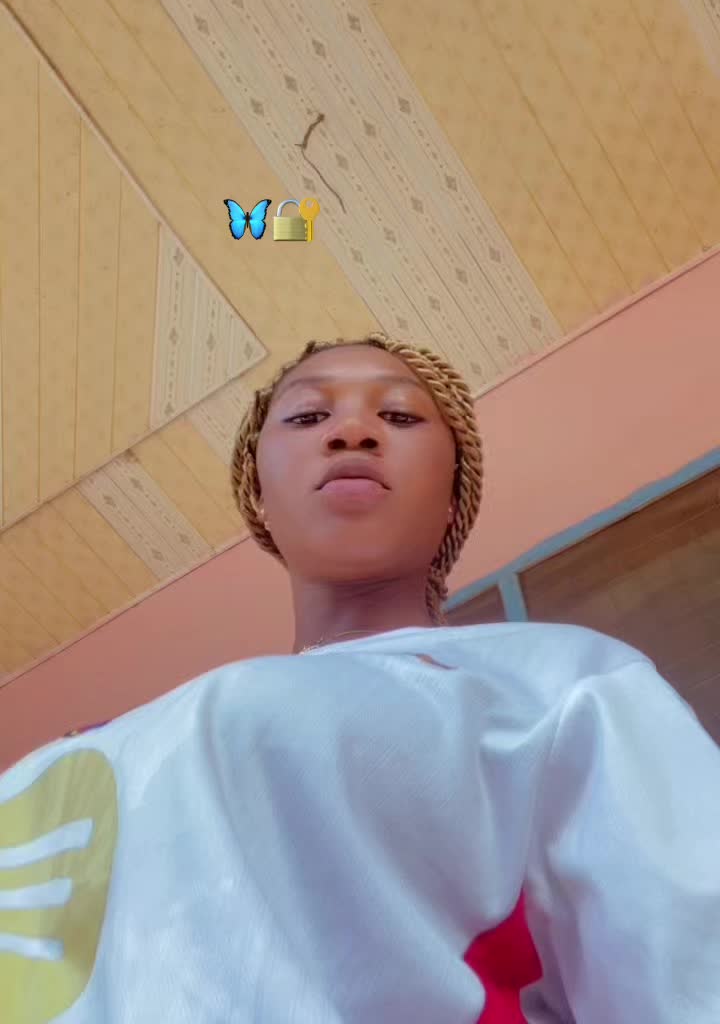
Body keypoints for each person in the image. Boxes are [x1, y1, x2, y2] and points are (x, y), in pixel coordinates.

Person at [2, 334, 719, 1023]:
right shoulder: (109, 748)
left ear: (452, 500)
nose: (352, 431)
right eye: (308, 416)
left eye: (399, 416)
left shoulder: (565, 684)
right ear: (258, 494)